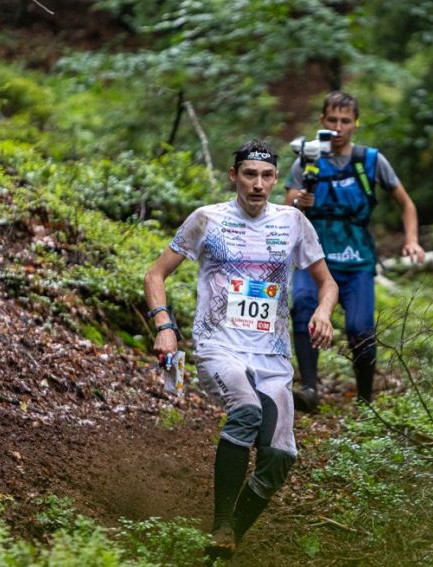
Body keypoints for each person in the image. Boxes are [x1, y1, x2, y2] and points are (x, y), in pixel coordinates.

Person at [144, 139, 337, 560]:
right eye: (250, 174)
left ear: (274, 180)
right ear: (234, 176)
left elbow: (328, 282)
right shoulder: (207, 220)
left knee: (280, 457)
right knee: (246, 411)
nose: (259, 184)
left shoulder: (292, 222)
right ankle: (221, 523)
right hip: (220, 348)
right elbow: (155, 274)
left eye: (267, 176)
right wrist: (165, 326)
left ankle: (227, 543)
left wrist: (323, 312)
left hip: (272, 358)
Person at [285, 91, 425, 410]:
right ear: (322, 121)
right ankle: (308, 388)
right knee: (304, 305)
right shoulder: (308, 159)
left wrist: (412, 239)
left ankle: (365, 400)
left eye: (345, 121)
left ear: (355, 123)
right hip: (314, 255)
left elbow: (407, 204)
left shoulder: (370, 161)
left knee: (360, 329)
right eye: (332, 120)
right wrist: (298, 201)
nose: (338, 127)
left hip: (357, 258)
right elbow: (286, 206)